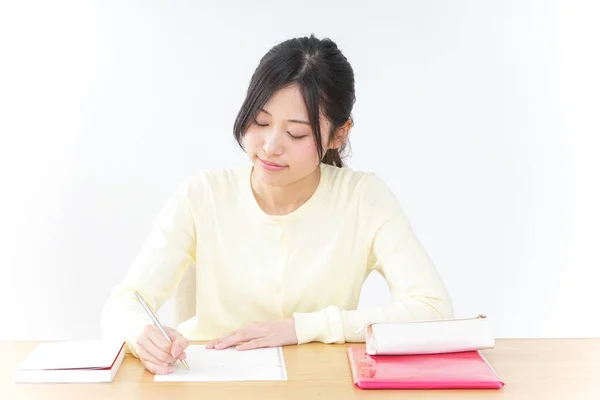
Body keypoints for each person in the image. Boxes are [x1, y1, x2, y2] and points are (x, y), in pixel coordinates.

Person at [100, 34, 454, 375]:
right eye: (260, 121)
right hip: (211, 382)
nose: (270, 146)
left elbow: (434, 311)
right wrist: (140, 333)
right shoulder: (204, 193)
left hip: (318, 384)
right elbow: (126, 301)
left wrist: (302, 328)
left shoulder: (364, 198)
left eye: (296, 133)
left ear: (339, 134)